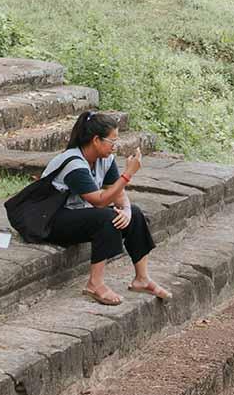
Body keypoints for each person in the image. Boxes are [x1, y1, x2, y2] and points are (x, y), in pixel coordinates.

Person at [41, 110, 172, 306]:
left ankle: (142, 279)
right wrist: (128, 175)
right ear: (96, 140)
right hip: (50, 220)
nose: (115, 147)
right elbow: (99, 201)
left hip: (78, 215)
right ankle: (94, 284)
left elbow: (117, 193)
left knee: (134, 213)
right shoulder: (73, 163)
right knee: (106, 217)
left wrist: (126, 210)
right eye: (112, 141)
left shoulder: (104, 159)